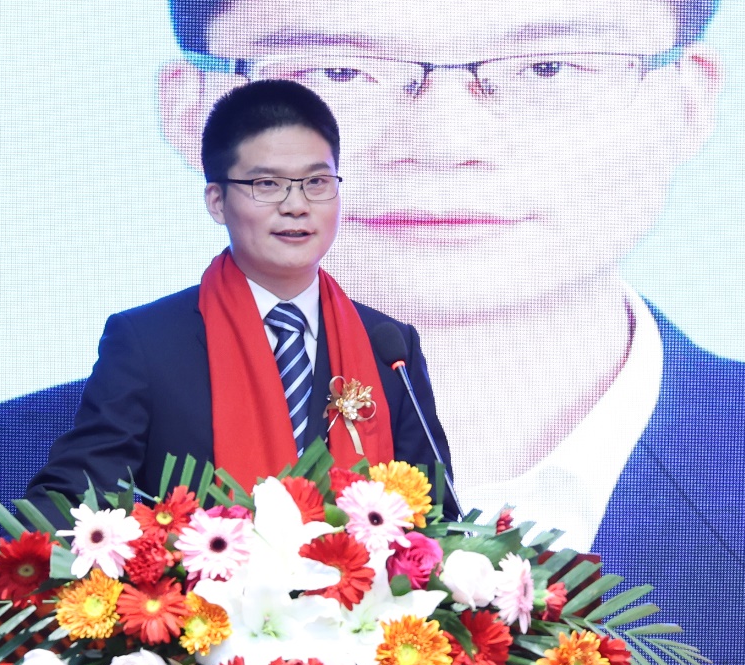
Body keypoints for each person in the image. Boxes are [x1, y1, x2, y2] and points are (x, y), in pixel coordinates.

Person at [0, 0, 745, 665]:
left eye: (549, 67)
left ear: (688, 103)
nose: (444, 143)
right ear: (193, 110)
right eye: (337, 71)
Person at [23, 78, 454, 514]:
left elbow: (437, 512)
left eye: (316, 182)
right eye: (267, 184)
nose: (296, 205)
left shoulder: (389, 347)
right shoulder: (148, 343)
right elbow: (71, 500)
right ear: (217, 201)